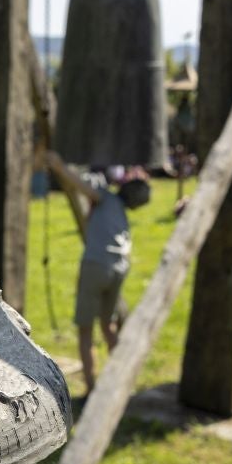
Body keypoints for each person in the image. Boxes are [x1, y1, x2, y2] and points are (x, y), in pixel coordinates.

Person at [39, 150, 151, 392]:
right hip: (120, 267)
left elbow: (81, 186)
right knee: (108, 326)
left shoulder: (105, 199)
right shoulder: (120, 209)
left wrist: (58, 166)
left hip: (96, 266)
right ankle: (122, 380)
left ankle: (91, 388)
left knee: (86, 329)